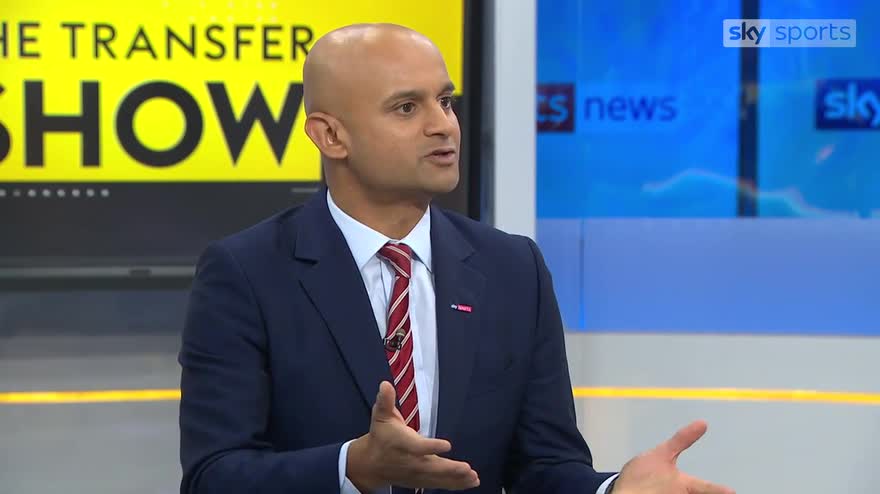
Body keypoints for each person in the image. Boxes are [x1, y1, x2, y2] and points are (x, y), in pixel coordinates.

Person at [178, 23, 735, 494]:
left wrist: (609, 490)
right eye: (406, 107)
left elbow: (544, 465)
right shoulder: (246, 273)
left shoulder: (513, 268)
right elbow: (213, 475)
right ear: (331, 136)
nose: (443, 124)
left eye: (445, 101)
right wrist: (352, 467)